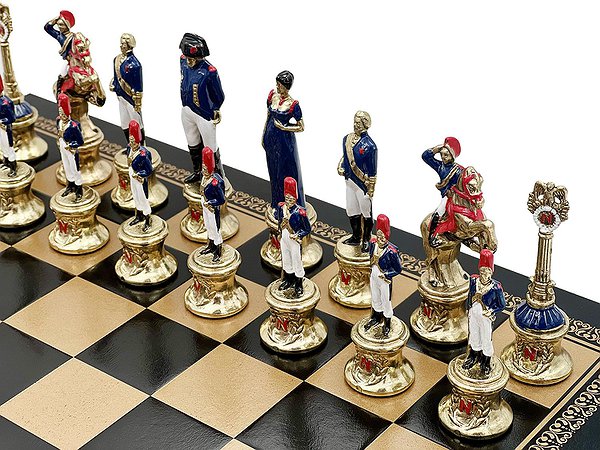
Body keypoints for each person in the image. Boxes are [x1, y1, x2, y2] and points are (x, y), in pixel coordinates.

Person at [179, 33, 225, 183]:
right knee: (192, 142)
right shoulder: (183, 62)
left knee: (210, 147)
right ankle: (198, 172)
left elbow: (219, 95)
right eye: (187, 57)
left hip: (204, 113)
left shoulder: (209, 71)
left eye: (192, 58)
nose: (189, 61)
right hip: (187, 109)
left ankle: (217, 177)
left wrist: (215, 109)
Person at [262, 70, 305, 215]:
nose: (277, 86)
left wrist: (285, 127)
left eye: (279, 85)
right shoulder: (272, 96)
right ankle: (276, 202)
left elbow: (301, 126)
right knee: (273, 171)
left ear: (286, 86)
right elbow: (268, 117)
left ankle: (291, 204)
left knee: (284, 172)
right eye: (277, 84)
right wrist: (263, 135)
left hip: (284, 142)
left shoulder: (293, 104)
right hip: (271, 138)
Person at [337, 111, 377, 252]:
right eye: (355, 122)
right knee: (351, 210)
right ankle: (356, 236)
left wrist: (371, 190)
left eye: (359, 123)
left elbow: (372, 171)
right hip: (349, 181)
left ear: (365, 125)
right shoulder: (346, 139)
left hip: (362, 185)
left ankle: (366, 239)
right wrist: (341, 166)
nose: (355, 125)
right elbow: (345, 157)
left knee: (366, 212)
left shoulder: (370, 146)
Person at [462, 249, 506, 376]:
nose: (484, 274)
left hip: (485, 316)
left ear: (491, 272)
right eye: (482, 271)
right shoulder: (473, 281)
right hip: (473, 313)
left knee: (486, 337)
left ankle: (486, 361)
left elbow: (502, 305)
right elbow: (469, 295)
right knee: (474, 335)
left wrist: (491, 311)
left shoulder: (496, 287)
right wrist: (468, 308)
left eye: (487, 271)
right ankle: (473, 356)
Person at [364, 214, 402, 337]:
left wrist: (386, 274)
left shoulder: (392, 251)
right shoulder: (373, 244)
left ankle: (387, 323)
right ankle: (376, 318)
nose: (381, 239)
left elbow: (398, 269)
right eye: (379, 236)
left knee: (386, 300)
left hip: (384, 280)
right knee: (375, 297)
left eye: (383, 237)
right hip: (373, 275)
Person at [422, 137, 463, 246]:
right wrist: (437, 149)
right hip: (447, 196)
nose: (443, 157)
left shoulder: (459, 170)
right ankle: (432, 237)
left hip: (458, 197)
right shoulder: (440, 166)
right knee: (439, 211)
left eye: (446, 155)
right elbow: (425, 156)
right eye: (442, 155)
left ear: (452, 155)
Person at [277, 177, 311, 297]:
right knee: (286, 259)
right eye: (287, 198)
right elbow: (279, 220)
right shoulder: (281, 207)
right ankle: (288, 279)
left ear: (295, 198)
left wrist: (298, 235)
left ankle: (298, 283)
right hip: (284, 237)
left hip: (294, 240)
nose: (288, 201)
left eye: (291, 198)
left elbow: (307, 229)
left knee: (296, 260)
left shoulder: (300, 212)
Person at [110, 33, 143, 144]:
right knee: (124, 123)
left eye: (124, 43)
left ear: (130, 45)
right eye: (121, 43)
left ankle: (141, 146)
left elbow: (138, 86)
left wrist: (137, 103)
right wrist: (113, 84)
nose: (121, 45)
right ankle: (130, 145)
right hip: (120, 97)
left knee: (136, 124)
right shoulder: (116, 59)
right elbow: (116, 77)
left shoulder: (135, 64)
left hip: (130, 98)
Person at [198, 146, 226, 262]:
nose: (203, 171)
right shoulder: (203, 177)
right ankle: (211, 246)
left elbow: (222, 199)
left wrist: (211, 202)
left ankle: (218, 251)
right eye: (203, 168)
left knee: (215, 228)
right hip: (204, 205)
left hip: (212, 208)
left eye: (205, 169)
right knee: (208, 226)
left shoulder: (215, 182)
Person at [56, 93, 84, 200]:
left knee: (74, 168)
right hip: (62, 146)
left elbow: (80, 141)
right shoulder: (58, 121)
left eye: (64, 113)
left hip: (71, 150)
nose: (62, 116)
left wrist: (71, 145)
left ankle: (78, 188)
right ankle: (70, 186)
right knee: (66, 166)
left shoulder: (73, 126)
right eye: (60, 113)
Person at [127, 120, 153, 231]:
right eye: (130, 141)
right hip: (132, 176)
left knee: (143, 198)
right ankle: (139, 215)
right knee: (135, 196)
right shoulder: (129, 148)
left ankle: (148, 219)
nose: (132, 143)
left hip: (139, 179)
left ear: (138, 141)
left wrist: (140, 174)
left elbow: (149, 169)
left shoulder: (143, 154)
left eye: (134, 142)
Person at [44, 10, 76, 90]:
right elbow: (47, 28)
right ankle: (59, 90)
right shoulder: (59, 35)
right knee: (63, 73)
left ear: (67, 25)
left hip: (75, 60)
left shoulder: (74, 37)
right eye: (58, 25)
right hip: (67, 60)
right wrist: (55, 20)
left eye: (61, 25)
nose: (59, 27)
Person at [0, 74, 17, 177]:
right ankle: (6, 163)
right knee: (2, 147)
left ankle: (13, 167)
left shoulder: (5, 103)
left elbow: (12, 118)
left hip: (5, 128)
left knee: (9, 147)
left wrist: (2, 121)